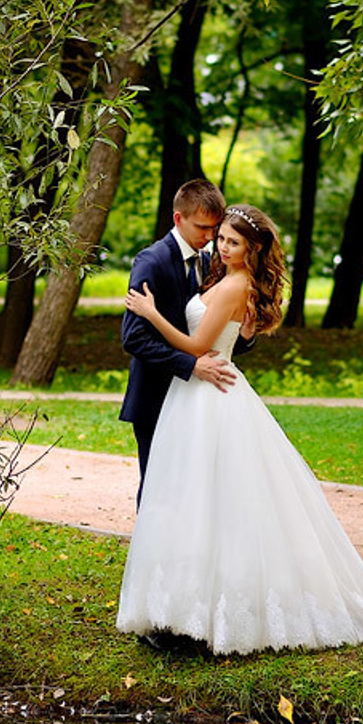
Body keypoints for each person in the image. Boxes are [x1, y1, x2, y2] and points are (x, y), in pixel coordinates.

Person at [116, 204, 363, 654]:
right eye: (220, 237)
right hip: (194, 395)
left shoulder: (236, 284)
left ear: (251, 249)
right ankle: (179, 609)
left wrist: (152, 314)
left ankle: (209, 615)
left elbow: (197, 345)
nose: (221, 245)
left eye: (232, 241)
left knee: (210, 500)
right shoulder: (225, 277)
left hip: (210, 394)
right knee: (189, 499)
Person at [120, 180, 241, 499]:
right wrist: (191, 365)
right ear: (178, 218)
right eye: (202, 227)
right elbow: (133, 338)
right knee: (158, 489)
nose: (210, 236)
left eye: (214, 229)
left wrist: (243, 335)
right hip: (156, 395)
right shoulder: (152, 262)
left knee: (196, 490)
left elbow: (210, 328)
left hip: (199, 400)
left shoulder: (209, 262)